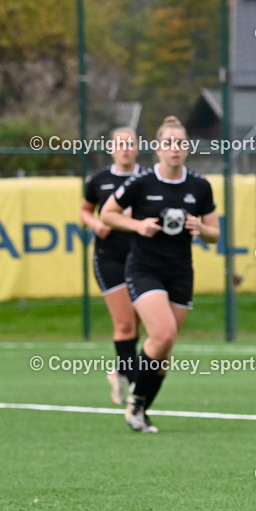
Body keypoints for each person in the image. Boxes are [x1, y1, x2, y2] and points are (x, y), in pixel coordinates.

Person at [100, 116, 219, 433]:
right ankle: (135, 403)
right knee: (162, 335)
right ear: (157, 148)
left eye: (181, 143)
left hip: (180, 272)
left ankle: (139, 408)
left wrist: (201, 228)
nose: (175, 148)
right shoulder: (141, 183)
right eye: (169, 143)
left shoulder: (199, 186)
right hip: (143, 269)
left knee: (163, 351)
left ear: (188, 148)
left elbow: (215, 234)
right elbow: (107, 214)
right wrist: (138, 225)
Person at [80, 128, 144, 405]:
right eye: (120, 144)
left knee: (139, 324)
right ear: (111, 149)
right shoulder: (100, 180)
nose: (125, 149)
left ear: (138, 148)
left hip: (143, 258)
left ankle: (120, 370)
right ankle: (136, 388)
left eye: (130, 144)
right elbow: (85, 209)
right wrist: (96, 223)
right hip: (110, 258)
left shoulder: (148, 178)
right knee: (125, 323)